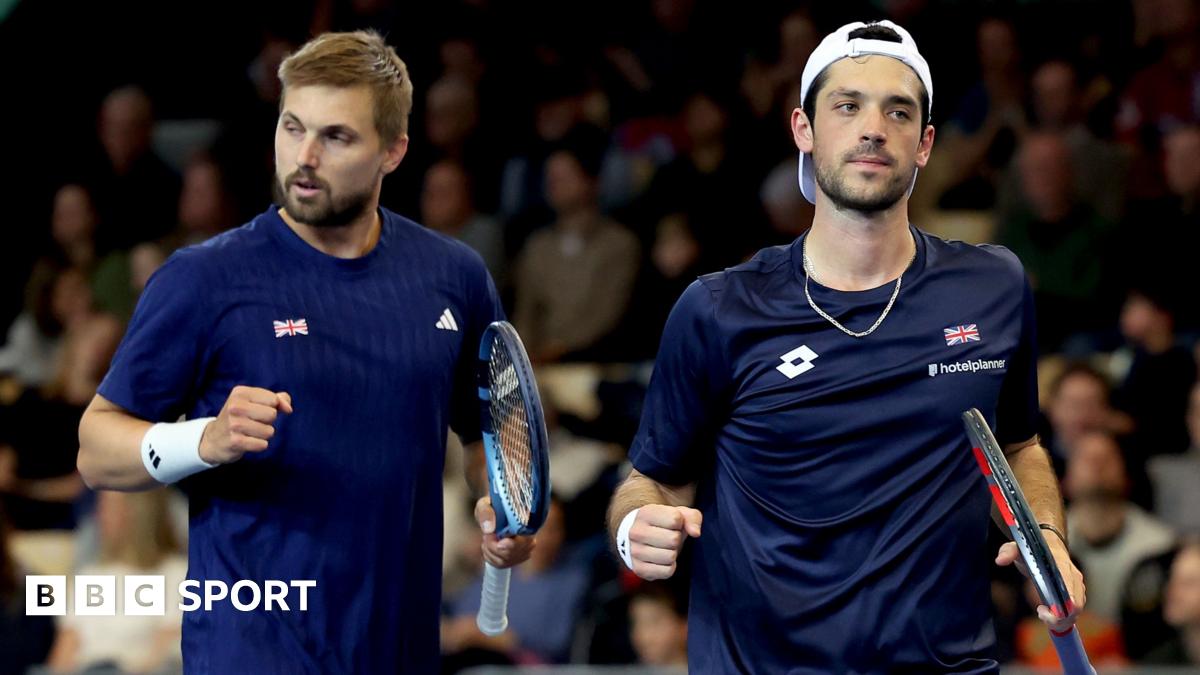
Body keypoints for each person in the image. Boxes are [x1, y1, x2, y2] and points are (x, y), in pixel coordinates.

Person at [607, 20, 1085, 672]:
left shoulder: (993, 286)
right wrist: (634, 528)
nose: (874, 128)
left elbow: (1019, 447)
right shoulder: (718, 309)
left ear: (925, 143)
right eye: (848, 106)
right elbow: (653, 480)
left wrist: (1047, 536)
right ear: (804, 129)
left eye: (899, 111)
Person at [76, 30, 531, 673]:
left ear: (393, 150)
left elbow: (489, 437)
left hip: (399, 652)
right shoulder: (202, 279)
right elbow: (95, 449)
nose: (304, 157)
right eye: (292, 128)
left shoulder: (455, 277)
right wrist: (203, 440)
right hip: (249, 654)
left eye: (336, 137)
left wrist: (499, 506)